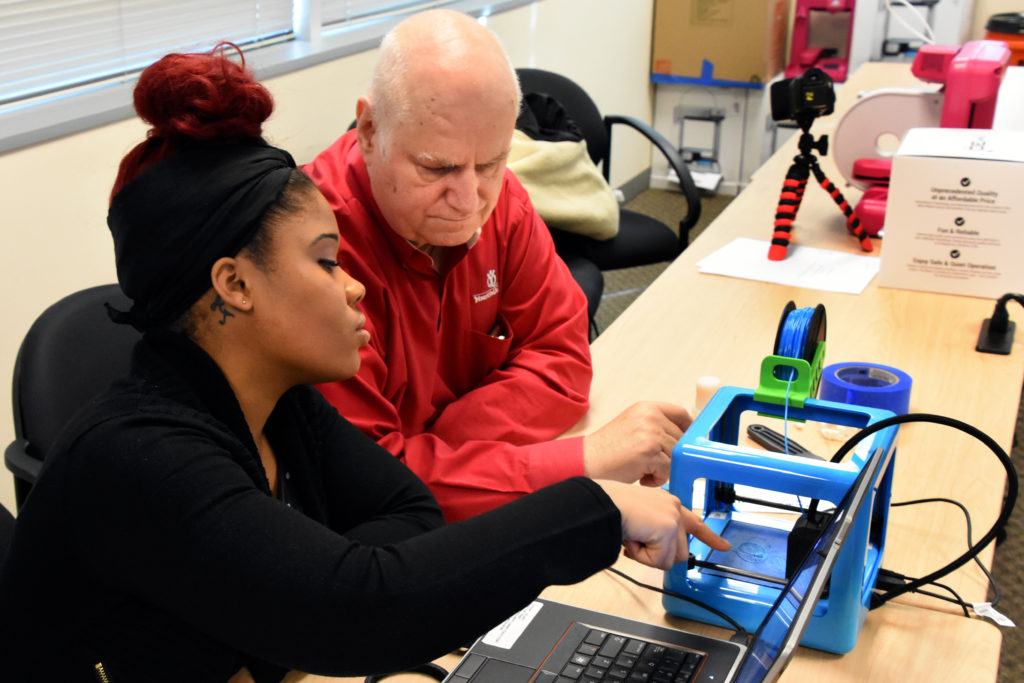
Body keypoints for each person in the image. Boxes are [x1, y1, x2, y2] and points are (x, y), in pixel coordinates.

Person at [0, 46, 728, 682]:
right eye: (325, 261)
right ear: (235, 284)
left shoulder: (279, 401)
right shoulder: (141, 455)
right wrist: (597, 507)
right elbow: (363, 604)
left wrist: (284, 621)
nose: (352, 286)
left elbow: (407, 511)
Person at [306, 9, 694, 522]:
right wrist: (584, 459)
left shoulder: (503, 199)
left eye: (490, 163)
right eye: (437, 167)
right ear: (371, 129)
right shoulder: (311, 247)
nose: (469, 201)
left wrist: (438, 450)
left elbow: (564, 358)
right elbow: (370, 483)